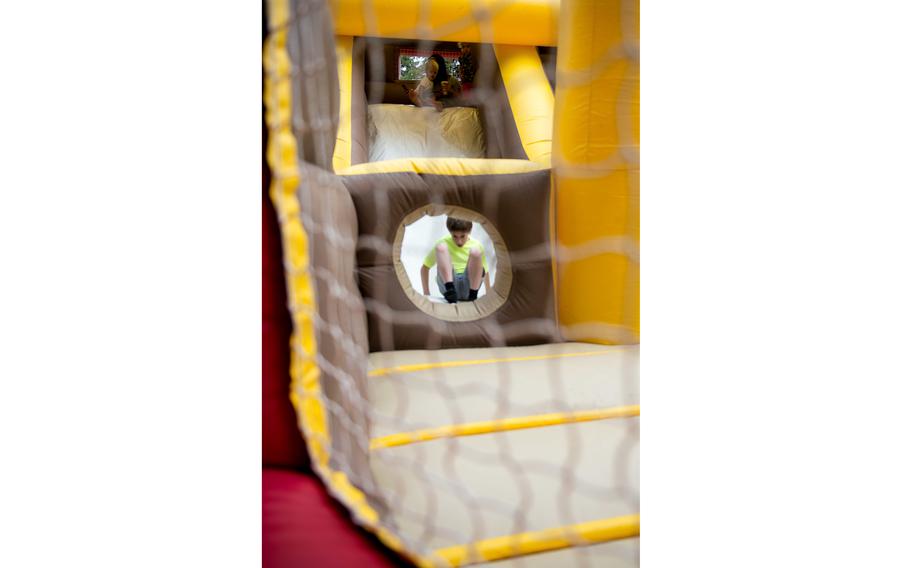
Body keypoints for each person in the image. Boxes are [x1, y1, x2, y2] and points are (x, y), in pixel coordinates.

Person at [421, 217, 491, 303]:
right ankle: (450, 291)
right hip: (448, 284)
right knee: (441, 247)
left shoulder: (477, 244)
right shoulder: (443, 241)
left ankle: (473, 296)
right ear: (450, 232)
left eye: (462, 236)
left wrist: (489, 294)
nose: (459, 241)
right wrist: (426, 293)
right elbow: (425, 267)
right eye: (455, 236)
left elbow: (485, 271)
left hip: (469, 286)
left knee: (475, 251)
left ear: (469, 232)